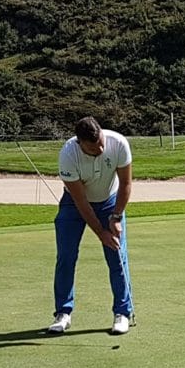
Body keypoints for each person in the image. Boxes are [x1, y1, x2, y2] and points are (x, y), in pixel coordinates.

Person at [48, 116, 135, 335]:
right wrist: (101, 233)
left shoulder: (118, 143)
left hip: (110, 201)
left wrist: (116, 217)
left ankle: (122, 313)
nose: (100, 149)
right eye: (93, 148)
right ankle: (63, 313)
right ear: (80, 143)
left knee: (117, 256)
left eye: (101, 143)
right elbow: (81, 202)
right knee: (66, 256)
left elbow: (126, 183)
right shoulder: (68, 155)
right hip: (74, 204)